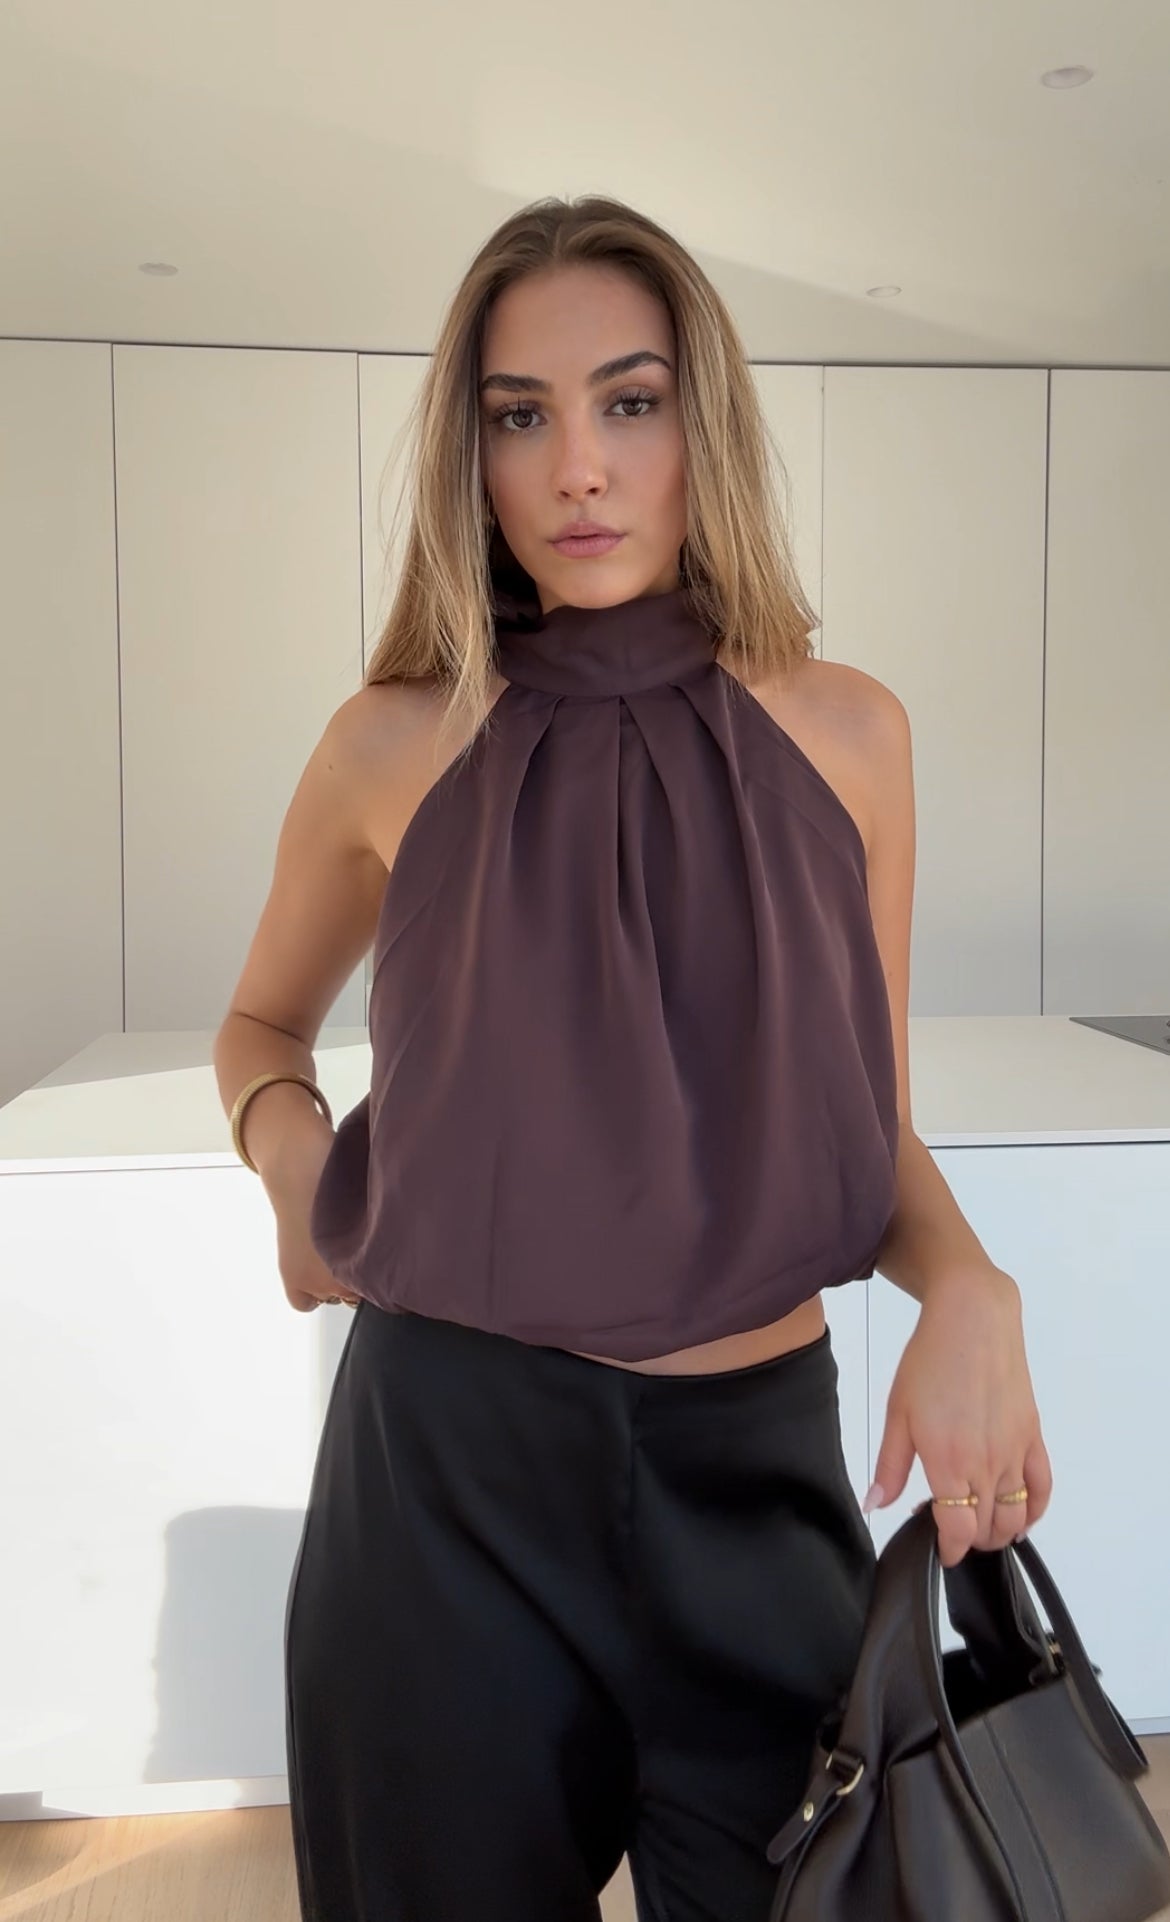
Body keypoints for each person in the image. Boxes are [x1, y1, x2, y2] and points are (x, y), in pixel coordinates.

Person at [214, 194, 1053, 1922]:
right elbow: (259, 1028)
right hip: (442, 1495)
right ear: (472, 456)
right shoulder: (390, 745)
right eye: (519, 414)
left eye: (629, 401)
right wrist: (294, 1160)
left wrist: (971, 1282)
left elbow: (865, 1122)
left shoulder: (847, 733)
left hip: (756, 1480)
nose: (577, 468)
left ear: (701, 427)